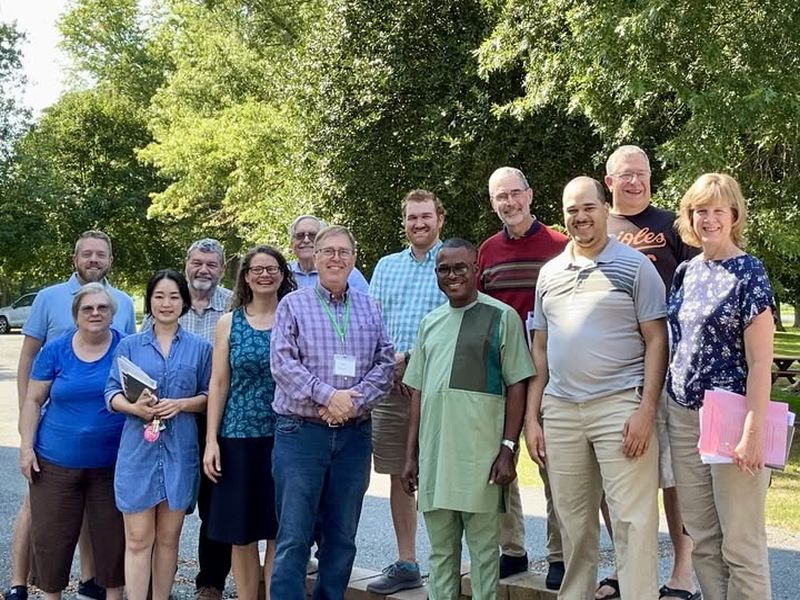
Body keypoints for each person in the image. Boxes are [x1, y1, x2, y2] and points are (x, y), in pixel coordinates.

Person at [525, 177, 668, 599]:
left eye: (589, 207)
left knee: (632, 521)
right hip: (562, 411)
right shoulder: (548, 274)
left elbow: (657, 339)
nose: (581, 216)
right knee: (573, 522)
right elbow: (541, 347)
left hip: (620, 407)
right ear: (564, 216)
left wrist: (645, 409)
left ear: (605, 209)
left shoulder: (636, 266)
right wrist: (533, 418)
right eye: (572, 210)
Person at [401, 238, 534, 600]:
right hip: (436, 458)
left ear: (477, 269)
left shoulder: (502, 317)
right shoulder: (430, 323)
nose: (452, 275)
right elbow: (419, 393)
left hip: (481, 460)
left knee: (483, 557)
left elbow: (518, 385)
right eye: (443, 269)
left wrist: (508, 449)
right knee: (441, 555)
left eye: (460, 267)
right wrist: (411, 456)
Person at [7, 230, 135, 600]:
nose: (94, 260)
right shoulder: (50, 308)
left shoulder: (124, 309)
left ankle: (93, 582)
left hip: (109, 454)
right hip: (56, 444)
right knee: (48, 527)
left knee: (106, 530)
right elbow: (30, 371)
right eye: (87, 254)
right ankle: (21, 583)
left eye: (101, 254)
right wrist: (26, 439)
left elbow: (133, 378)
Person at [269, 225, 394, 599]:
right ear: (314, 258)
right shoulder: (293, 304)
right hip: (301, 434)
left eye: (343, 252)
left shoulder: (370, 306)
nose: (335, 258)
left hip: (354, 437)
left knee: (342, 537)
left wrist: (351, 401)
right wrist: (328, 397)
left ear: (354, 260)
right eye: (328, 251)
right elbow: (282, 363)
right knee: (293, 536)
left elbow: (385, 363)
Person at [667, 173, 774, 600]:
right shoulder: (685, 272)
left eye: (717, 211)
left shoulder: (749, 272)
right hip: (683, 415)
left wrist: (752, 430)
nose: (708, 219)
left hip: (732, 415)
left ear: (734, 216)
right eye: (700, 211)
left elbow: (761, 360)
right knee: (704, 540)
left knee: (741, 544)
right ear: (689, 217)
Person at [600, 145, 698, 600]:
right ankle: (627, 566)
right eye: (626, 175)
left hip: (671, 369)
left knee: (675, 474)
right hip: (614, 371)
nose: (635, 182)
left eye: (642, 174)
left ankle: (682, 571)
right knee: (618, 475)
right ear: (609, 182)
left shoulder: (673, 228)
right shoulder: (597, 227)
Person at [477, 166, 568, 588]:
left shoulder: (559, 245)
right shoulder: (488, 250)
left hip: (550, 370)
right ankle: (511, 549)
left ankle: (559, 554)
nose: (509, 202)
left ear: (530, 195)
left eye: (515, 193)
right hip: (501, 374)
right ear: (493, 202)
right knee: (501, 460)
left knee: (553, 463)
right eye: (500, 197)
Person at [105, 269, 213, 600]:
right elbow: (111, 393)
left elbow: (210, 396)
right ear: (149, 301)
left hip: (179, 451)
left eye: (174, 296)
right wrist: (135, 408)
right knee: (138, 539)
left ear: (184, 301)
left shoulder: (200, 348)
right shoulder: (129, 346)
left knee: (168, 539)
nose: (166, 303)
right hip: (138, 452)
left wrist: (181, 404)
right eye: (159, 296)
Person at [203, 246, 297, 600]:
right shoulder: (229, 322)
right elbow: (219, 382)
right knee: (241, 533)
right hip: (237, 436)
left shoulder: (293, 318)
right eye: (256, 269)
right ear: (245, 276)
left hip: (285, 434)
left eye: (271, 268)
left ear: (282, 274)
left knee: (278, 529)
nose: (264, 275)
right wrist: (211, 440)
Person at [142, 239, 234, 600]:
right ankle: (153, 581)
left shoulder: (231, 304)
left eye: (212, 264)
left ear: (222, 269)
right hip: (168, 417)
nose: (203, 270)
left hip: (216, 416)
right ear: (186, 264)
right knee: (164, 499)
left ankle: (210, 582)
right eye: (197, 263)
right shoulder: (166, 303)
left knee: (215, 504)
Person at [365, 189, 447, 595]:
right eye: (412, 217)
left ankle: (446, 563)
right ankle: (407, 561)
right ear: (404, 222)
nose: (419, 223)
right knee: (400, 474)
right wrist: (390, 361)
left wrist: (413, 357)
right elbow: (372, 324)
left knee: (442, 475)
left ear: (440, 219)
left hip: (439, 387)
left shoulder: (453, 262)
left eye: (426, 216)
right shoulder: (386, 266)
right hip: (391, 388)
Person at [288, 214, 370, 291]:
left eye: (313, 235)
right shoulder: (283, 272)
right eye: (300, 235)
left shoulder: (347, 272)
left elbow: (366, 303)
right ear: (291, 243)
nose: (306, 240)